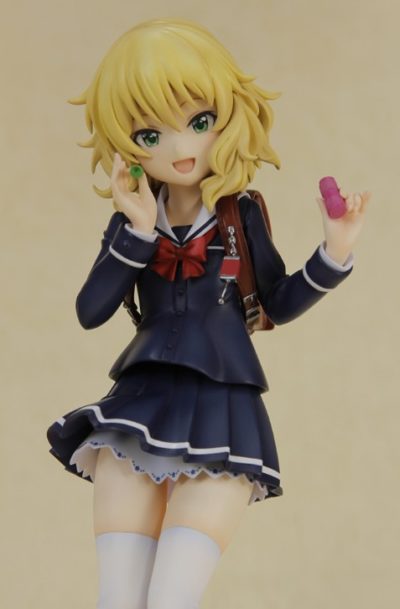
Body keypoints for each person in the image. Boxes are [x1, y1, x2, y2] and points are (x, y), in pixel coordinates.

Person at [47, 18, 369, 609]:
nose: (180, 148)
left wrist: (334, 253)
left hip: (223, 408)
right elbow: (91, 310)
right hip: (140, 405)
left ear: (229, 116)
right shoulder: (131, 222)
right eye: (150, 134)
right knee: (119, 597)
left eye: (199, 122)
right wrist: (138, 232)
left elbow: (276, 301)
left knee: (173, 597)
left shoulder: (239, 215)